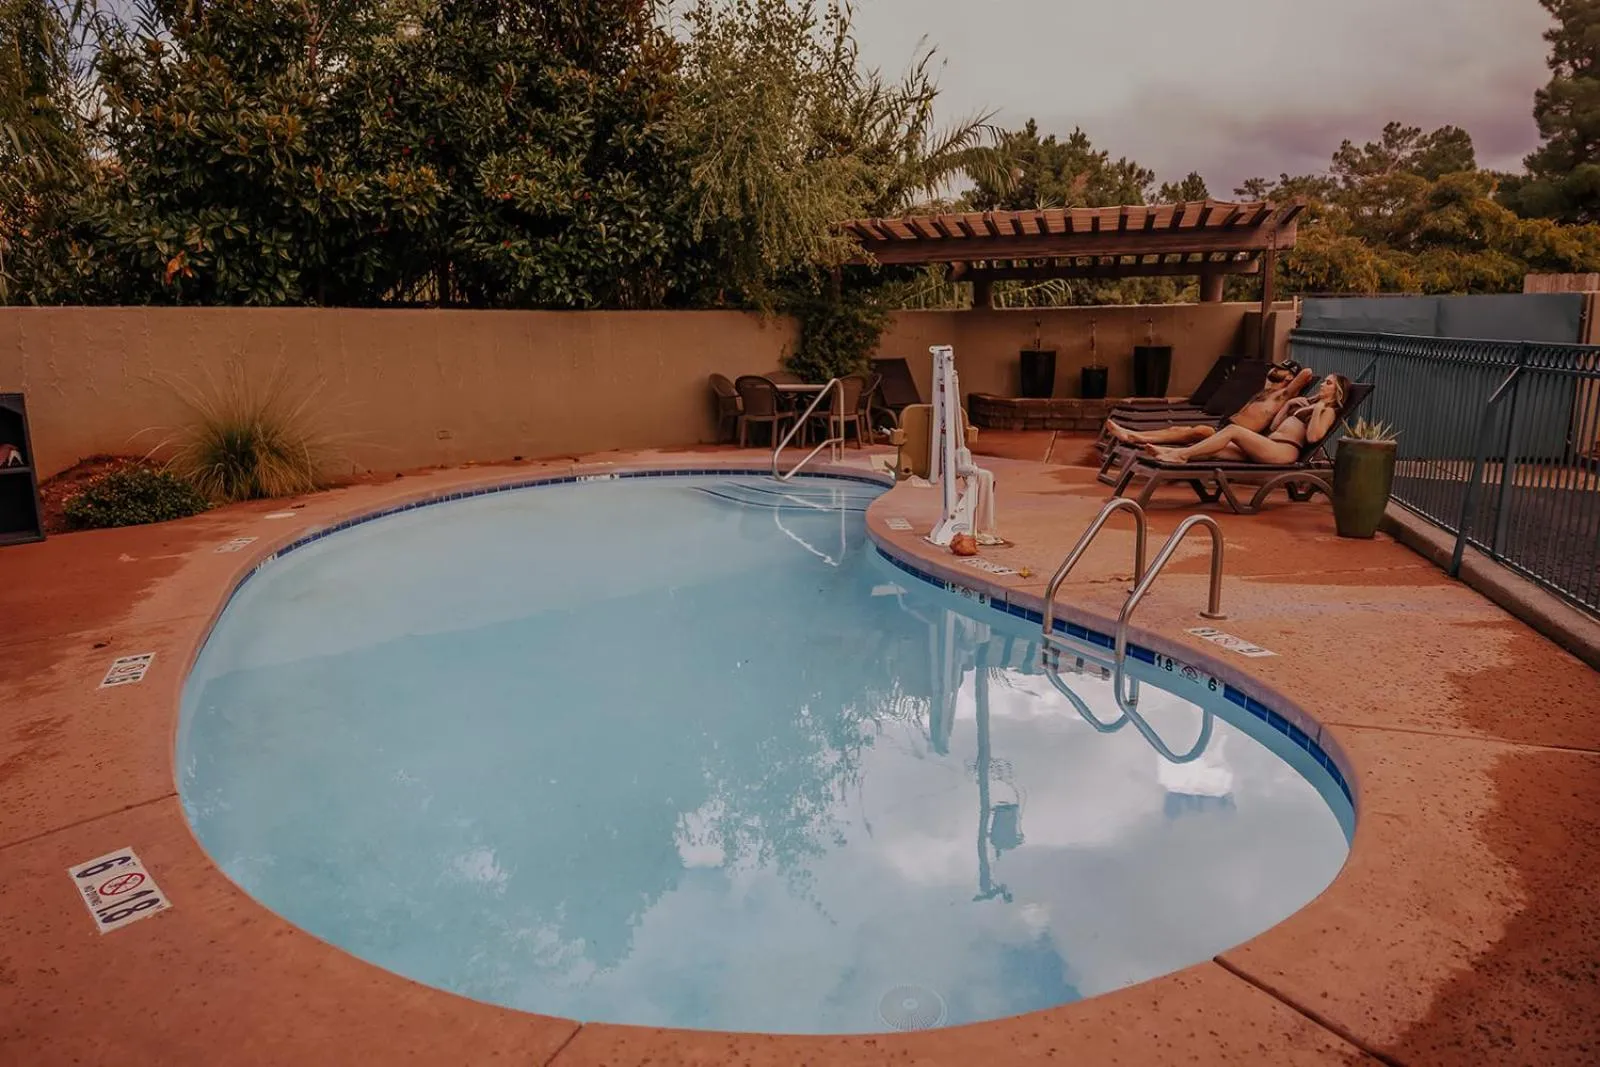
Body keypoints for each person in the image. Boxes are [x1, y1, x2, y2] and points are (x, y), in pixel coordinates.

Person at [1143, 373, 1349, 465]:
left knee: (1232, 432)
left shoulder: (1329, 410)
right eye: (1324, 381)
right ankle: (1173, 452)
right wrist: (1289, 406)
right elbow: (1275, 425)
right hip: (1270, 444)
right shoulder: (1309, 405)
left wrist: (1319, 407)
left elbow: (1314, 437)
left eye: (1328, 383)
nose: (1322, 384)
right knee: (1216, 449)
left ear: (1337, 390)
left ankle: (1181, 456)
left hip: (1283, 451)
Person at [1104, 365, 1315, 449]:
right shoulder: (1268, 390)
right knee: (1179, 431)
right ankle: (1134, 436)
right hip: (1226, 425)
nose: (1275, 368)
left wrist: (1293, 379)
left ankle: (1134, 437)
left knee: (1194, 431)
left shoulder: (1284, 394)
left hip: (1236, 436)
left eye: (1282, 368)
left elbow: (1307, 373)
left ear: (1289, 376)